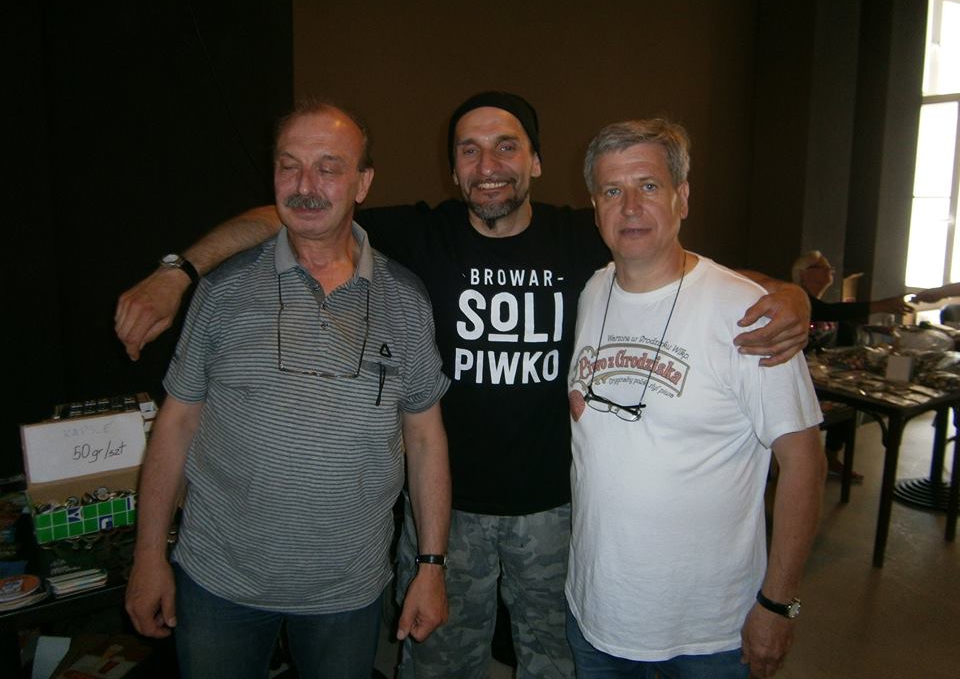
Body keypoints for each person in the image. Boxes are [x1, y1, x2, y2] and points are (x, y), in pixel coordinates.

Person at [116, 92, 812, 679]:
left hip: (556, 515)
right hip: (450, 520)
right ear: (452, 169)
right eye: (470, 150)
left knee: (556, 667)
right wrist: (182, 270)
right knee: (438, 668)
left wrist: (788, 295)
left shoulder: (585, 238)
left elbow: (675, 261)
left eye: (506, 147)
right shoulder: (422, 235)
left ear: (536, 161)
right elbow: (300, 210)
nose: (488, 166)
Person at [124, 102, 452, 679]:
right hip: (219, 579)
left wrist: (431, 565)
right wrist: (148, 555)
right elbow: (176, 425)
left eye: (329, 167)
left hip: (347, 589)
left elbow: (425, 439)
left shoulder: (405, 299)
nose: (305, 186)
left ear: (363, 183)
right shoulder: (222, 291)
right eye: (289, 165)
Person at [566, 119, 825, 679]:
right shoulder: (591, 291)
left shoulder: (748, 314)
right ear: (595, 207)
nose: (630, 206)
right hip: (596, 613)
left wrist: (778, 603)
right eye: (612, 190)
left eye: (648, 185)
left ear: (682, 197)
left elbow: (805, 463)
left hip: (709, 634)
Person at [792, 250, 913, 482]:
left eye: (829, 267)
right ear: (804, 274)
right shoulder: (797, 298)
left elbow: (840, 326)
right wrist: (881, 305)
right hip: (797, 378)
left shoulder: (819, 303)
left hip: (819, 375)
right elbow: (828, 312)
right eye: (821, 266)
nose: (829, 271)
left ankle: (831, 456)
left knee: (850, 402)